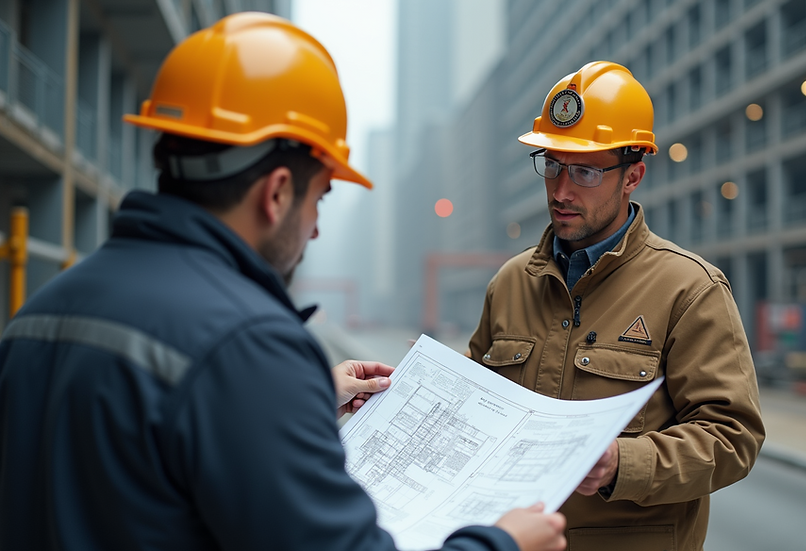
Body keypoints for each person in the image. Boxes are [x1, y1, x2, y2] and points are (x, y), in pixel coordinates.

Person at [0, 13, 565, 551]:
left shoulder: (41, 312)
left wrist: (304, 396)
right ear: (275, 194)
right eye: (319, 197)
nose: (316, 228)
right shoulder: (245, 345)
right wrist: (501, 541)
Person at [467, 61, 765, 551]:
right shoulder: (510, 283)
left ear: (633, 176)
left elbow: (734, 438)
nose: (561, 191)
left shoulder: (690, 290)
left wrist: (622, 464)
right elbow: (476, 408)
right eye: (554, 164)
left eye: (584, 171)